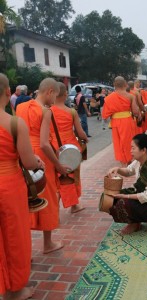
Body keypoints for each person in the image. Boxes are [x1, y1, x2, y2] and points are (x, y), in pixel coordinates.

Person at [0, 74, 45, 299]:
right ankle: (14, 290)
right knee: (14, 236)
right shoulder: (14, 123)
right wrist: (38, 161)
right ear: (9, 92)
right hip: (9, 185)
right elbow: (28, 162)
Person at [16, 78, 68, 254]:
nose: (56, 100)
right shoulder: (45, 112)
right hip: (41, 158)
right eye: (56, 96)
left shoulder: (20, 107)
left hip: (24, 156)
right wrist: (59, 166)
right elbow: (45, 144)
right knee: (48, 199)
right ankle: (47, 244)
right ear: (50, 91)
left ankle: (27, 251)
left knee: (27, 200)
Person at [107, 134, 147, 235]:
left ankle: (134, 223)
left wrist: (125, 196)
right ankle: (135, 221)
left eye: (133, 148)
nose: (130, 151)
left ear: (143, 150)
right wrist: (118, 169)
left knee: (120, 202)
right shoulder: (139, 161)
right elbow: (128, 171)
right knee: (110, 197)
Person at [49, 83, 88, 212]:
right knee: (69, 177)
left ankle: (59, 206)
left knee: (58, 177)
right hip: (70, 148)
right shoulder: (71, 112)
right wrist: (85, 139)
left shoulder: (47, 111)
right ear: (66, 95)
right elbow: (80, 132)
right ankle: (73, 205)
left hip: (53, 147)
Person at [102, 76, 139, 166]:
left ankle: (123, 162)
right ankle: (129, 160)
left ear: (114, 85)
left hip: (115, 122)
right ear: (125, 84)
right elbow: (135, 112)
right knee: (128, 141)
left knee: (118, 143)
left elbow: (105, 115)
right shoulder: (130, 96)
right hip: (127, 121)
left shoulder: (109, 98)